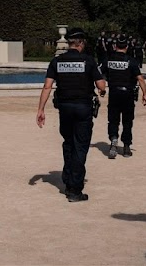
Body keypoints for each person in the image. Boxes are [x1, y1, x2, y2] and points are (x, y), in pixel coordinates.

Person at [36, 27, 107, 202]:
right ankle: (75, 189)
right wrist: (102, 87)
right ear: (81, 43)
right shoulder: (88, 61)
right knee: (80, 146)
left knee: (68, 143)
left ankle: (68, 181)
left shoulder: (57, 61)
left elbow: (47, 86)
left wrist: (41, 109)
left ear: (69, 43)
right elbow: (101, 86)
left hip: (65, 108)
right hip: (83, 108)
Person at [102, 37, 146, 159]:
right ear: (126, 47)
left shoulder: (108, 60)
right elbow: (140, 79)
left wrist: (101, 89)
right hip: (127, 94)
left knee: (113, 120)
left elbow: (100, 75)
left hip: (114, 93)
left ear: (115, 46)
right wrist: (144, 94)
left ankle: (113, 139)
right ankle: (126, 147)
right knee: (127, 121)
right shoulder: (131, 61)